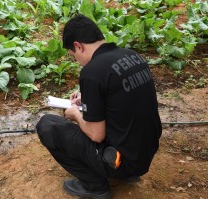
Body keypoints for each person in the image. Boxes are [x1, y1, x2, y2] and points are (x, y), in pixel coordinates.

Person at [36, 14, 162, 199]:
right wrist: (87, 98)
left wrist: (75, 115)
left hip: (121, 161)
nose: (77, 61)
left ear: (78, 46)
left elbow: (96, 135)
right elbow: (123, 98)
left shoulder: (92, 71)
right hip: (145, 153)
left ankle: (94, 186)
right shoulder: (132, 55)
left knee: (47, 126)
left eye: (74, 56)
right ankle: (128, 175)